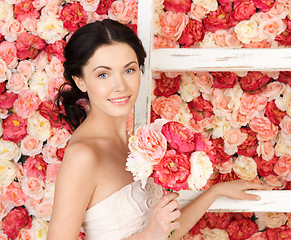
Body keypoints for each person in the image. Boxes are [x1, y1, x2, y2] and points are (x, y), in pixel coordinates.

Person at [47, 19, 271, 240]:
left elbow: (164, 233)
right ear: (81, 81)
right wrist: (148, 235)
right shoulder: (83, 155)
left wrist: (214, 193)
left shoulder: (137, 143)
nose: (120, 86)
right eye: (103, 74)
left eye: (129, 70)